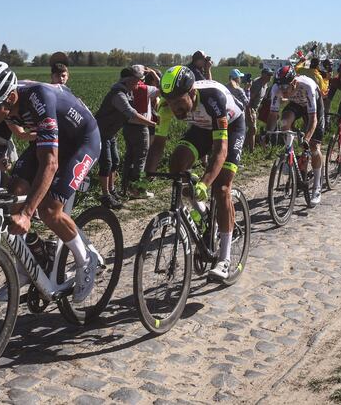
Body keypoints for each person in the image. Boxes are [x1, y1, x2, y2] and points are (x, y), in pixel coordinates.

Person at [0, 62, 101, 302]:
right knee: (13, 195)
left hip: (82, 140)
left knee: (48, 209)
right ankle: (29, 264)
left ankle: (86, 260)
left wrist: (28, 214)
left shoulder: (39, 98)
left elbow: (50, 163)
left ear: (9, 98)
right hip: (51, 139)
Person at [146, 66, 245, 281]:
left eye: (179, 103)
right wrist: (146, 177)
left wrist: (205, 183)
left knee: (221, 187)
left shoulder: (213, 98)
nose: (176, 110)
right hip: (201, 128)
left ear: (192, 93)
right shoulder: (165, 106)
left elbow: (220, 149)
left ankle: (225, 259)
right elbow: (158, 145)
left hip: (232, 127)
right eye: (171, 104)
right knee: (176, 164)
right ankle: (203, 212)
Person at [95, 66, 156, 208]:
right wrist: (152, 124)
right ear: (128, 80)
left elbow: (130, 117)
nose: (139, 83)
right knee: (106, 164)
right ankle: (105, 196)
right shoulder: (118, 95)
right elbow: (132, 114)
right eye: (137, 80)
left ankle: (112, 190)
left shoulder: (127, 93)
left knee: (115, 162)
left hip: (111, 134)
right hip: (101, 133)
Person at [266, 66, 325, 205]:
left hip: (313, 106)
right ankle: (289, 154)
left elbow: (313, 119)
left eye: (286, 86)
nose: (283, 90)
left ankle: (316, 187)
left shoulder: (307, 86)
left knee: (314, 147)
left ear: (294, 82)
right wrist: (268, 134)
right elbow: (273, 115)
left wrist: (307, 139)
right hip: (297, 104)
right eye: (280, 86)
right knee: (284, 122)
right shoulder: (276, 89)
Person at [122, 65, 159, 198]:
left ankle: (124, 187)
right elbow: (163, 89)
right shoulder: (145, 89)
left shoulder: (124, 88)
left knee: (129, 157)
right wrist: (154, 74)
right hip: (141, 127)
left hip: (127, 126)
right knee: (141, 158)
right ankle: (138, 190)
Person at [247, 67, 273, 149]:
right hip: (250, 108)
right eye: (268, 75)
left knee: (251, 130)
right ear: (263, 75)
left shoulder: (265, 84)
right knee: (253, 129)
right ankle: (251, 150)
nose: (270, 76)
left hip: (255, 109)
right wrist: (250, 112)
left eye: (271, 75)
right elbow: (249, 99)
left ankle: (245, 146)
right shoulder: (257, 84)